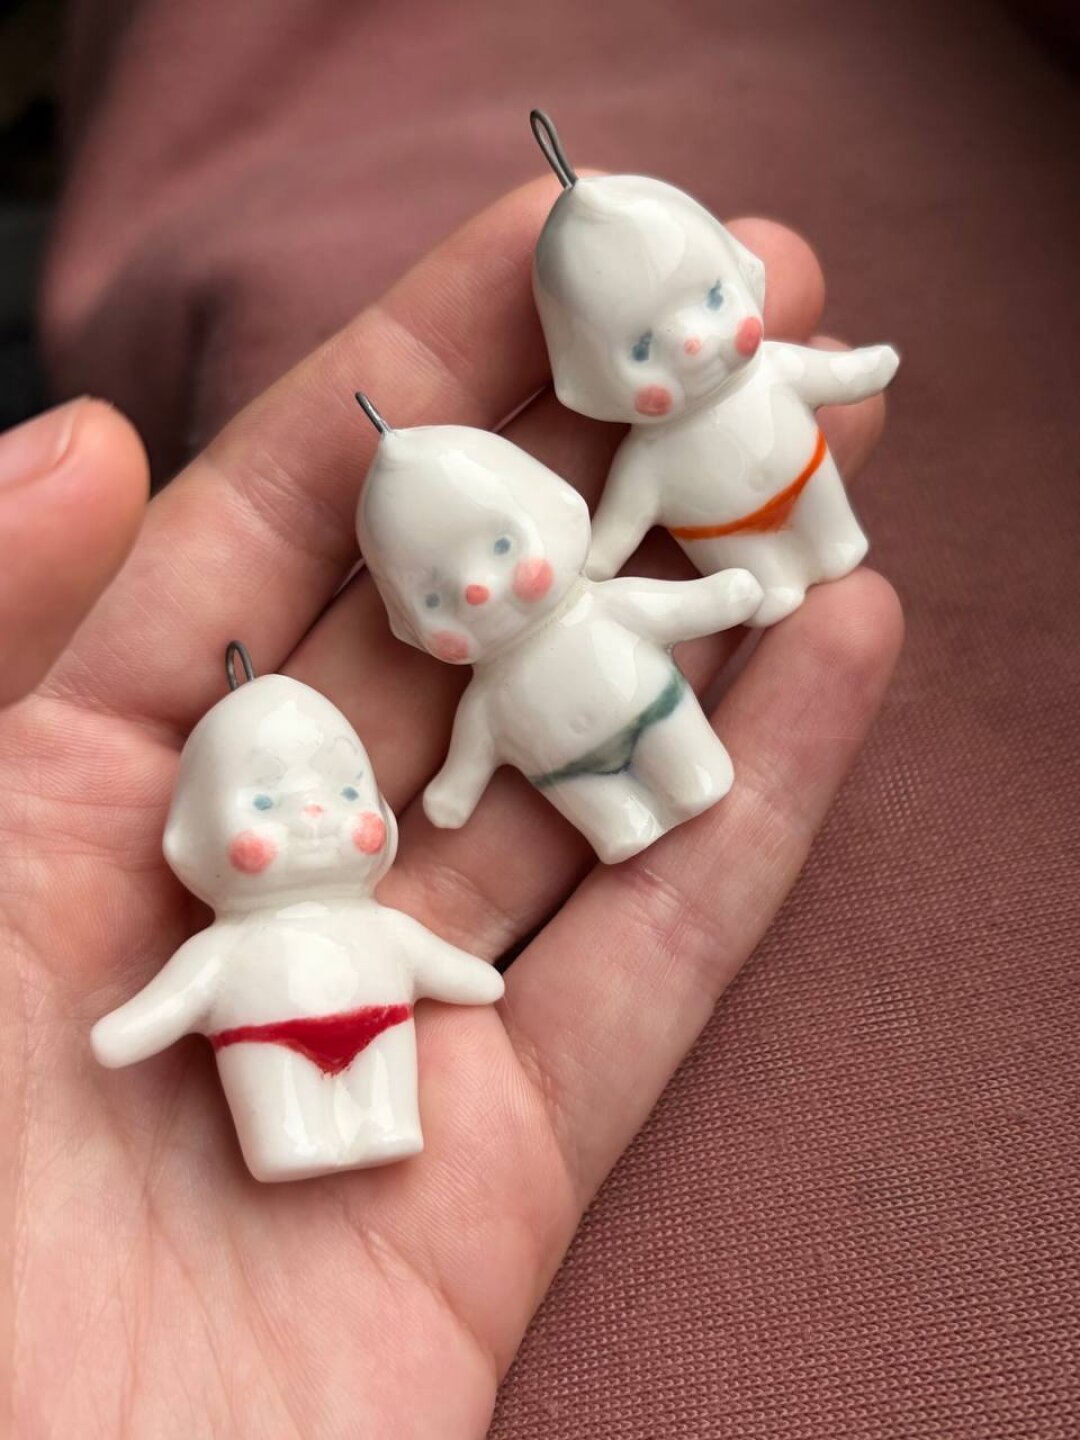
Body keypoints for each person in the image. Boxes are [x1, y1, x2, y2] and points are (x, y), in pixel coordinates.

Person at [0, 178, 901, 1434]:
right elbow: (443, 811)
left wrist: (718, 598)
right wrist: (128, 1029)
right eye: (447, 591)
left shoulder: (591, 587)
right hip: (355, 976)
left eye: (339, 797)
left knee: (693, 758)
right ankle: (329, 1122)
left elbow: (654, 592)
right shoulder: (461, 714)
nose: (489, 590)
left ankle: (690, 767)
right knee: (611, 814)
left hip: (663, 672)